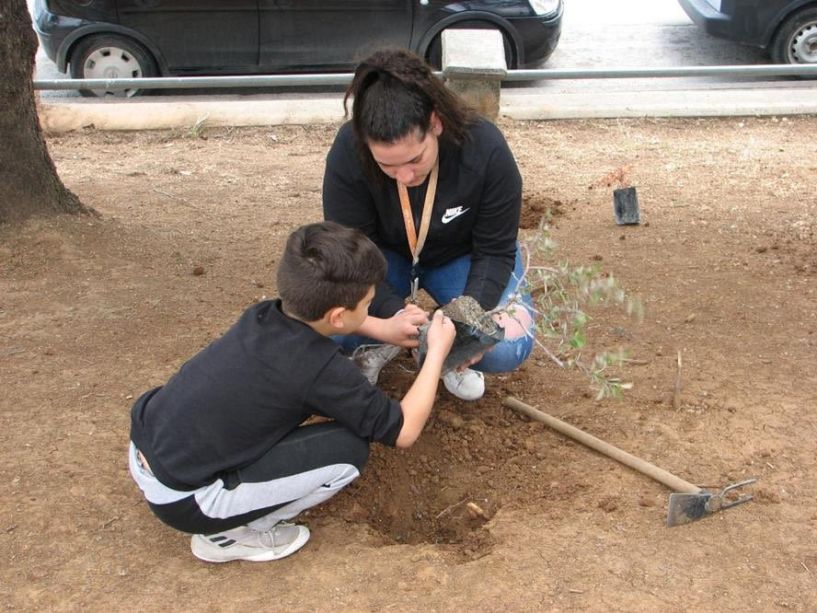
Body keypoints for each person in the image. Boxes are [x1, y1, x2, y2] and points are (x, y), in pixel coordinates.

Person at [128, 221, 455, 563]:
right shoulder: (320, 370)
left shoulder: (263, 316)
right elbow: (403, 431)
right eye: (369, 302)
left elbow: (331, 329)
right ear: (339, 315)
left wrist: (384, 328)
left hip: (147, 443)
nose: (373, 307)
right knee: (348, 451)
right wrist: (436, 354)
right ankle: (231, 535)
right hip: (187, 499)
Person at [323, 49, 535, 402]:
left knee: (507, 345)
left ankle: (447, 359)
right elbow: (351, 252)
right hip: (380, 258)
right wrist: (392, 315)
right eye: (387, 166)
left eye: (415, 158)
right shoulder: (348, 152)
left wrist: (464, 322)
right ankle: (382, 345)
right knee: (333, 324)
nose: (404, 177)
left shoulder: (485, 149)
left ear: (435, 123)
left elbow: (495, 251)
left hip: (459, 255)